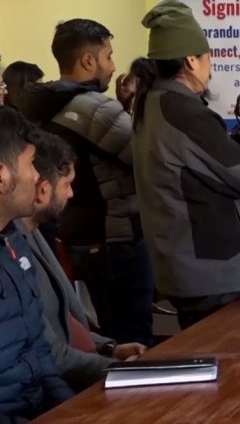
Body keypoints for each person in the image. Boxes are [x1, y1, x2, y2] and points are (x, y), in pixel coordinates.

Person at [132, 0, 240, 329]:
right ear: (191, 60)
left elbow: (204, 166)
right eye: (208, 57)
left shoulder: (156, 102)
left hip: (190, 265)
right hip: (210, 271)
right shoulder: (184, 111)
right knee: (232, 358)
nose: (210, 67)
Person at [20, 18, 154, 346]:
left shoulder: (42, 104)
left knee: (108, 331)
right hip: (116, 237)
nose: (113, 66)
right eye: (108, 56)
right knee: (134, 336)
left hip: (77, 234)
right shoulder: (93, 108)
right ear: (88, 61)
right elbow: (146, 157)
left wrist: (122, 107)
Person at [18, 131, 145, 390]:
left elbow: (64, 324)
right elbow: (49, 350)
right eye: (67, 184)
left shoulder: (33, 231)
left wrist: (108, 348)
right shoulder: (14, 247)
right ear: (43, 188)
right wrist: (118, 369)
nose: (71, 194)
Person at [0, 107, 73, 424]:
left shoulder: (14, 241)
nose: (36, 176)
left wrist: (71, 415)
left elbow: (40, 354)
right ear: (2, 176)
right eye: (31, 164)